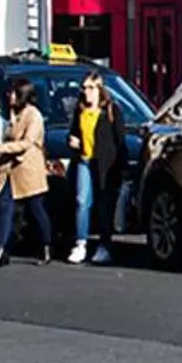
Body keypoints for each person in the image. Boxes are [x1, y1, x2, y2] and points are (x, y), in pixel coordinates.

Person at [52, 70, 124, 265]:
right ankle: (81, 242)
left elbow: (119, 140)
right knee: (82, 201)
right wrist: (72, 141)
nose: (86, 92)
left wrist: (119, 167)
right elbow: (74, 133)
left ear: (100, 89)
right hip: (84, 159)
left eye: (91, 88)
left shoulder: (111, 110)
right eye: (84, 88)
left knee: (103, 204)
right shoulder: (80, 110)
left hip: (103, 164)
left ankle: (104, 244)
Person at [0, 80, 52, 268]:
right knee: (4, 206)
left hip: (28, 169)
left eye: (14, 93)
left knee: (36, 209)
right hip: (8, 169)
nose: (10, 97)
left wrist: (0, 147)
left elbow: (26, 143)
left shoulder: (34, 116)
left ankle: (46, 245)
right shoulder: (12, 113)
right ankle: (1, 251)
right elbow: (7, 133)